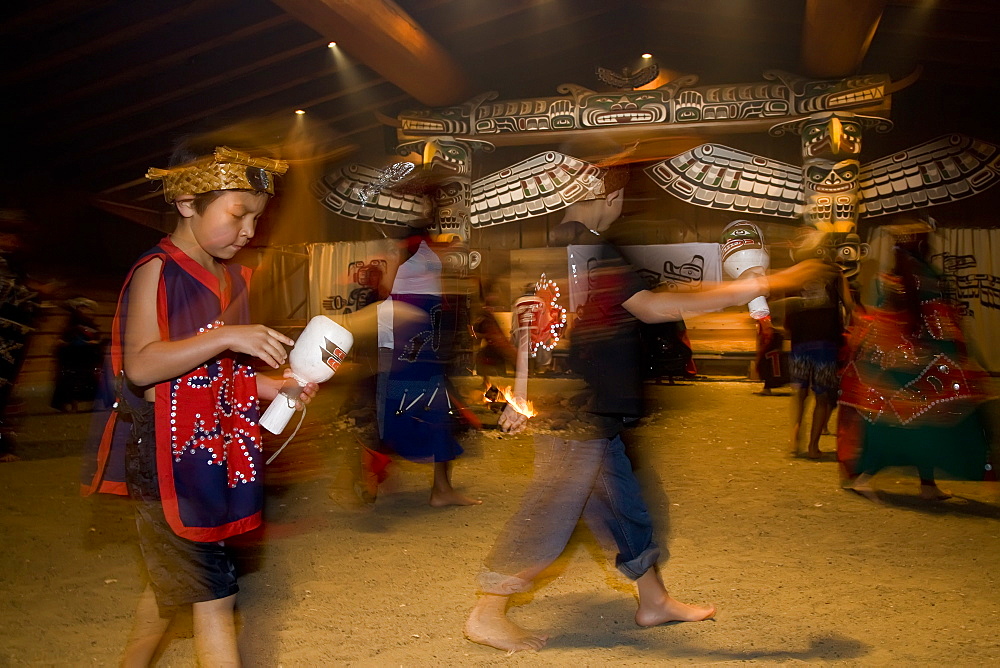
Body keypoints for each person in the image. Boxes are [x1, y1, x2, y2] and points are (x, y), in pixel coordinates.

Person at [463, 167, 833, 652]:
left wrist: (523, 389)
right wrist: (756, 287)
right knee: (553, 512)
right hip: (581, 413)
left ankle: (653, 600)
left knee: (624, 509)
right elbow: (653, 308)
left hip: (590, 407)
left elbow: (534, 322)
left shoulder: (566, 245)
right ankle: (486, 611)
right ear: (610, 197)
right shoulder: (593, 249)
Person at [81, 145, 317, 666]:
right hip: (164, 459)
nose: (249, 230)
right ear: (188, 202)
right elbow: (142, 368)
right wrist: (229, 335)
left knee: (170, 588)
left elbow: (215, 376)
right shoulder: (159, 270)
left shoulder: (230, 278)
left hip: (203, 454)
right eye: (238, 214)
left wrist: (271, 387)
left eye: (257, 217)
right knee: (215, 594)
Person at [839, 219, 992, 501]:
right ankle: (872, 477)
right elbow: (928, 317)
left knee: (910, 425)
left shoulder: (895, 276)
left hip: (905, 361)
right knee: (914, 425)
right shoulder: (918, 275)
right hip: (916, 361)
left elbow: (899, 316)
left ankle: (923, 483)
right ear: (922, 244)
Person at [375, 229, 481, 507]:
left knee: (435, 408)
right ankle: (377, 467)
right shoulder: (405, 244)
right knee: (416, 405)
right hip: (411, 325)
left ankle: (440, 488)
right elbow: (386, 288)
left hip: (427, 323)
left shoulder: (424, 244)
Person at [784, 236, 855, 459]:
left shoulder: (797, 273)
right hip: (826, 342)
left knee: (800, 393)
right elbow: (850, 305)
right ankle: (813, 447)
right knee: (822, 397)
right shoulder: (835, 273)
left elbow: (789, 308)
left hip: (800, 341)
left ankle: (795, 438)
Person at [50, 297, 104, 412]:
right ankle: (71, 404)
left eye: (89, 309)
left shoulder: (91, 326)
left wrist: (95, 343)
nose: (88, 312)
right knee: (70, 381)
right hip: (72, 358)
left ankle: (89, 403)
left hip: (86, 358)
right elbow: (64, 340)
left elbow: (97, 339)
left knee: (88, 380)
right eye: (84, 309)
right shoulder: (72, 326)